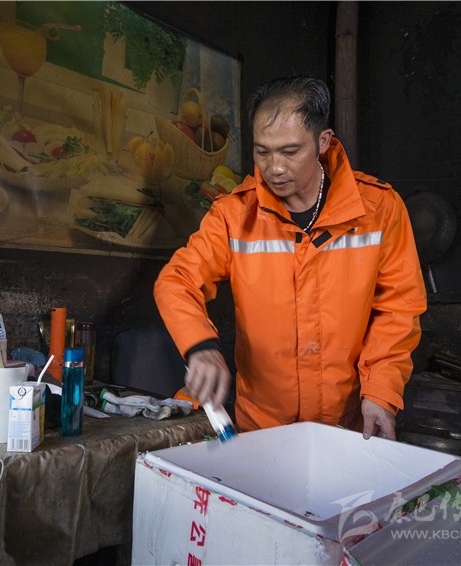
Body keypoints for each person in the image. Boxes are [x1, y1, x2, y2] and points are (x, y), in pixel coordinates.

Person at [154, 74, 426, 440]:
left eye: (290, 151)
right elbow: (177, 281)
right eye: (263, 152)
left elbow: (398, 308)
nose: (275, 168)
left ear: (322, 142)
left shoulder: (379, 209)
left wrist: (381, 392)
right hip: (260, 430)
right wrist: (200, 347)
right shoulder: (234, 215)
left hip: (346, 429)